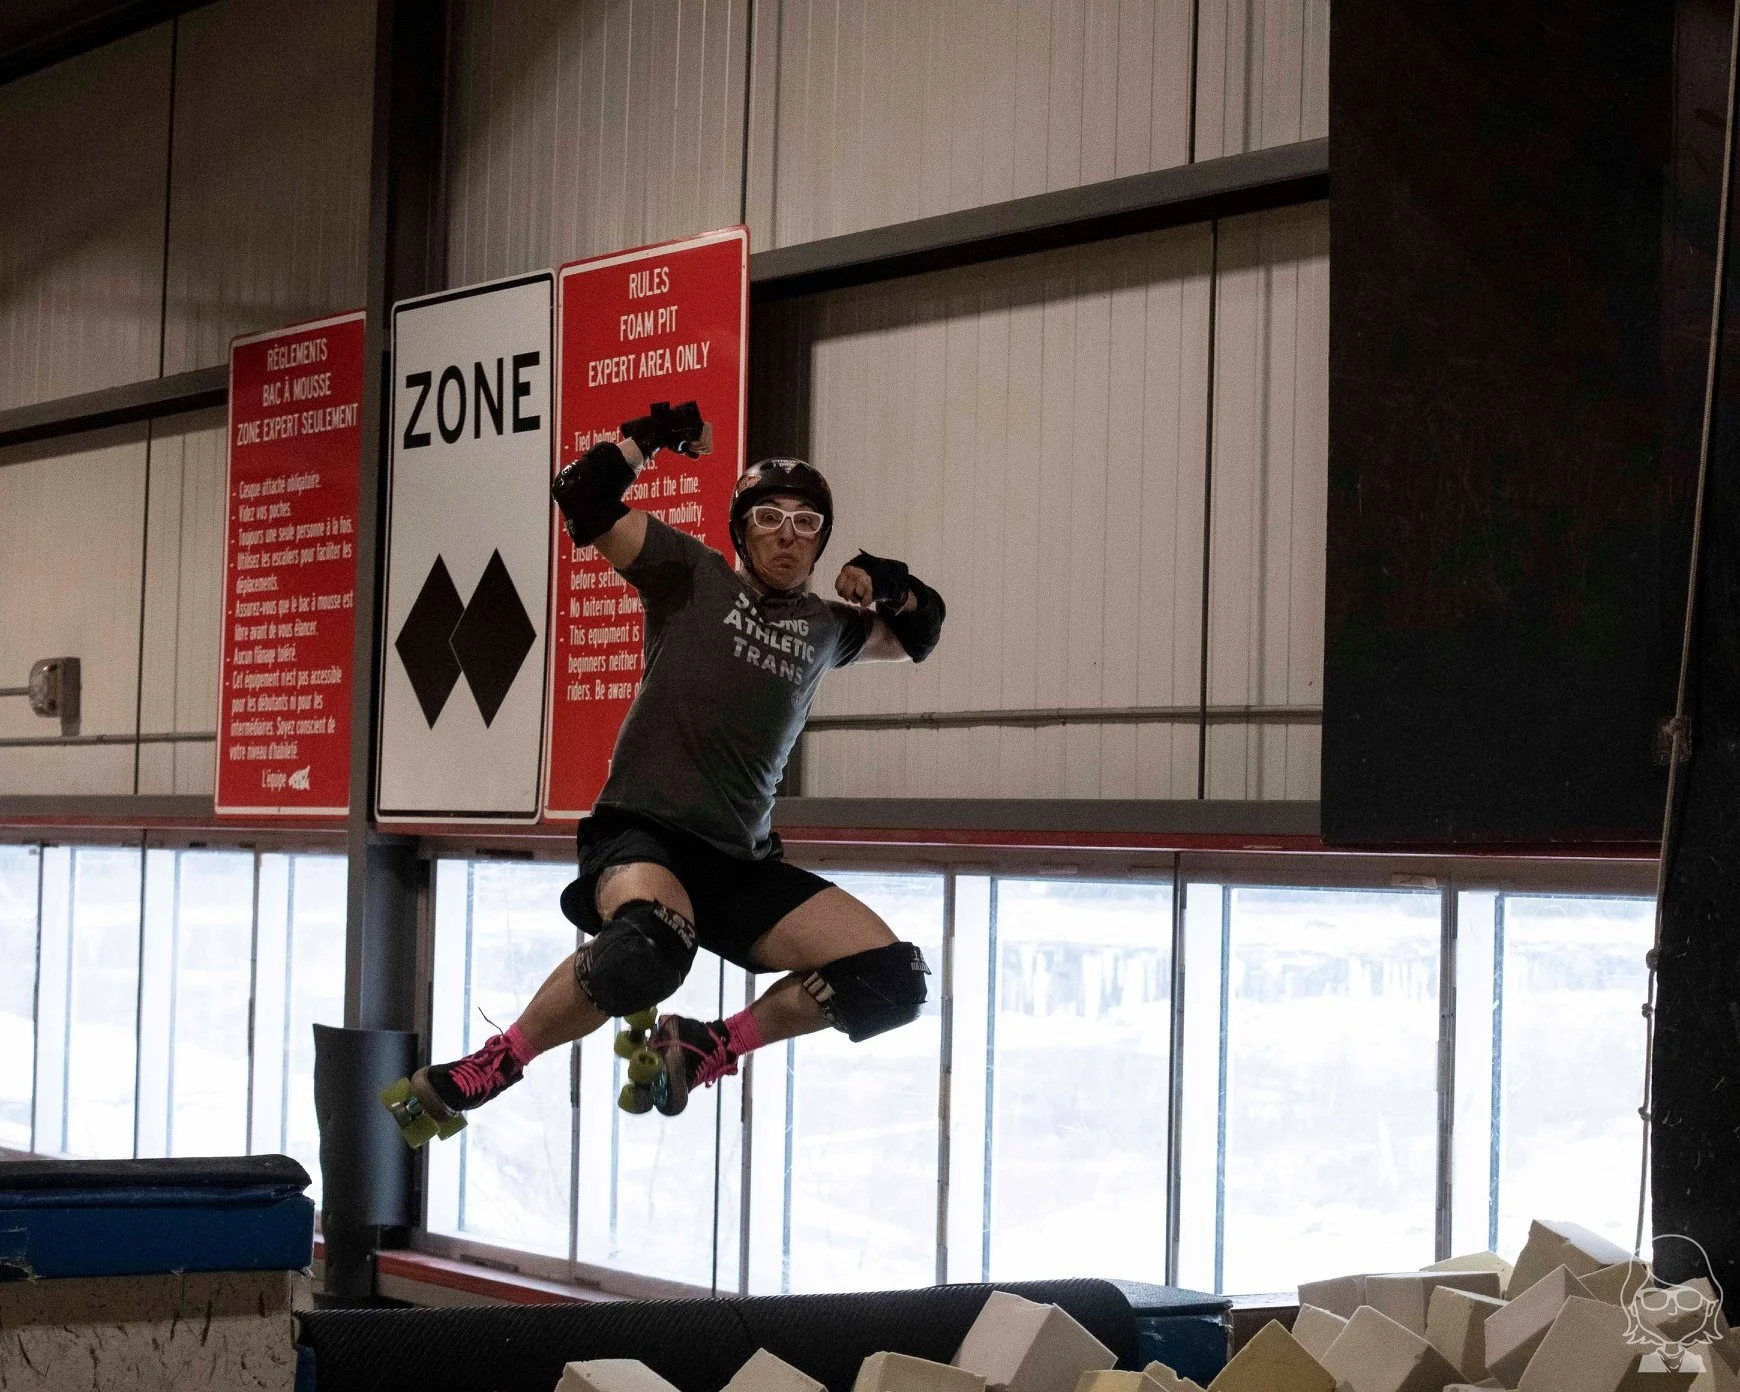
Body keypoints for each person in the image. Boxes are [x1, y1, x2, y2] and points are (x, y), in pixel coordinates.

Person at [396, 400, 947, 1132]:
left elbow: (922, 633)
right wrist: (650, 435)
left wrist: (883, 576)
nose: (787, 537)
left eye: (806, 524)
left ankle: (713, 1044)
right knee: (644, 952)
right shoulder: (692, 574)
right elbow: (583, 498)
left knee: (894, 981)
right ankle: (498, 1060)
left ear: (822, 545)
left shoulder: (828, 630)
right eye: (768, 518)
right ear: (740, 530)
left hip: (738, 864)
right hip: (645, 836)